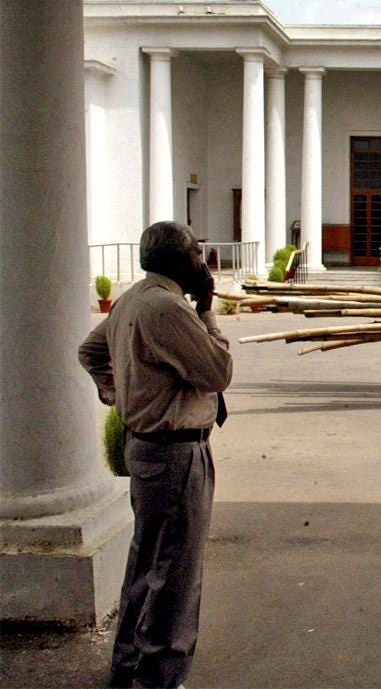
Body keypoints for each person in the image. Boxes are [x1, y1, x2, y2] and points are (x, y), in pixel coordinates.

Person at [79, 221, 233, 689]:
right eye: (196, 253)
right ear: (177, 259)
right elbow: (217, 371)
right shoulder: (167, 308)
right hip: (175, 455)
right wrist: (207, 311)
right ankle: (159, 678)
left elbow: (90, 351)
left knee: (147, 565)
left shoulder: (133, 299)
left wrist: (121, 396)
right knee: (176, 575)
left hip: (148, 448)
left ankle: (127, 666)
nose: (202, 262)